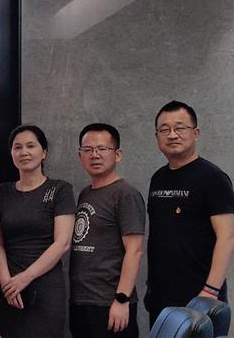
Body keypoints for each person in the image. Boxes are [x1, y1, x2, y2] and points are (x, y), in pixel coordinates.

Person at [145, 101, 234, 325]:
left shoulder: (212, 178)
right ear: (157, 137)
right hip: (161, 298)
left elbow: (227, 237)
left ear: (196, 133)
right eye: (164, 129)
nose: (172, 135)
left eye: (180, 128)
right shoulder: (158, 178)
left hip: (200, 298)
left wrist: (210, 291)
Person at [0, 125, 75, 338]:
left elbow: (62, 243)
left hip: (45, 287)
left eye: (30, 146)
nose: (24, 152)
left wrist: (25, 278)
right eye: (17, 147)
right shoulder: (2, 192)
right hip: (9, 289)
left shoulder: (60, 189)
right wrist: (6, 283)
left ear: (44, 152)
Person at [70, 123, 145, 338]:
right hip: (81, 301)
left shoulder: (125, 194)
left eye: (102, 149)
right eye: (88, 150)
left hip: (110, 304)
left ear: (117, 155)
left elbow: (135, 250)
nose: (95, 155)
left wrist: (121, 299)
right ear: (80, 156)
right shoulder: (86, 193)